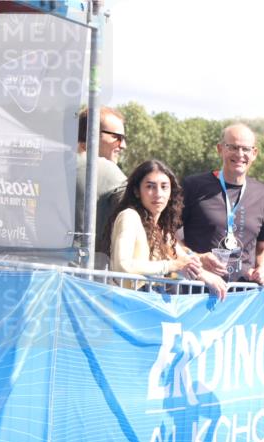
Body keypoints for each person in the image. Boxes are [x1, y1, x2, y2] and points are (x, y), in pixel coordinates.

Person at [101, 160, 226, 300]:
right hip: (130, 302)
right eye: (150, 186)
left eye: (164, 187)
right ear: (137, 191)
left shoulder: (159, 226)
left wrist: (202, 263)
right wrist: (171, 266)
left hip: (150, 300)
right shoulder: (129, 217)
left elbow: (181, 257)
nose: (158, 194)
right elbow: (123, 265)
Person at [182, 123, 264, 285]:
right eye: (232, 147)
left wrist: (263, 269)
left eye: (246, 149)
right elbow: (169, 238)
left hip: (242, 297)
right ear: (220, 149)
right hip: (197, 292)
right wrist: (196, 257)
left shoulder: (262, 194)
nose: (240, 154)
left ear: (254, 153)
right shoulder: (193, 186)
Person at [76, 106, 128, 266]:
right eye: (117, 137)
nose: (123, 145)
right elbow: (144, 219)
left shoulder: (51, 165)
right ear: (91, 136)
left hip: (41, 275)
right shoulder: (107, 170)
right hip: (88, 279)